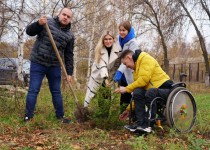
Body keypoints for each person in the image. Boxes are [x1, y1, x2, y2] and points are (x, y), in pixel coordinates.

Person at [24, 8, 74, 123]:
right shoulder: (47, 22)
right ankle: (28, 117)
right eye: (64, 14)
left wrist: (69, 73)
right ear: (59, 14)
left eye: (68, 16)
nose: (65, 17)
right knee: (33, 90)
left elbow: (69, 55)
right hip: (38, 62)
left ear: (70, 19)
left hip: (55, 66)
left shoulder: (70, 35)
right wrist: (38, 24)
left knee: (56, 91)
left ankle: (60, 117)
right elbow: (29, 31)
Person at [115, 49, 174, 133]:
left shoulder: (145, 59)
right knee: (138, 91)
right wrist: (128, 110)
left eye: (125, 63)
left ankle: (148, 125)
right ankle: (141, 124)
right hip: (153, 91)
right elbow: (139, 91)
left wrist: (126, 88)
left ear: (129, 57)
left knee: (150, 92)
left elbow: (143, 80)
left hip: (166, 89)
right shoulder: (136, 70)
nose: (126, 66)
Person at [84, 31, 121, 110]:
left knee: (108, 94)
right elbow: (101, 65)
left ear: (113, 39)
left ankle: (105, 115)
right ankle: (88, 109)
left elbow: (116, 65)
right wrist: (105, 78)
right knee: (97, 92)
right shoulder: (99, 49)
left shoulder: (118, 50)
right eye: (106, 39)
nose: (108, 41)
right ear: (103, 40)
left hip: (110, 74)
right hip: (99, 74)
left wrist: (110, 77)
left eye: (110, 39)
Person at [113, 21, 139, 113]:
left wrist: (119, 71)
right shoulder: (120, 40)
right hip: (123, 75)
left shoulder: (133, 42)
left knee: (131, 94)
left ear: (128, 30)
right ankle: (122, 116)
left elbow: (129, 60)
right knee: (123, 95)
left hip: (129, 72)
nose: (121, 32)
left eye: (123, 30)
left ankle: (133, 117)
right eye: (120, 30)